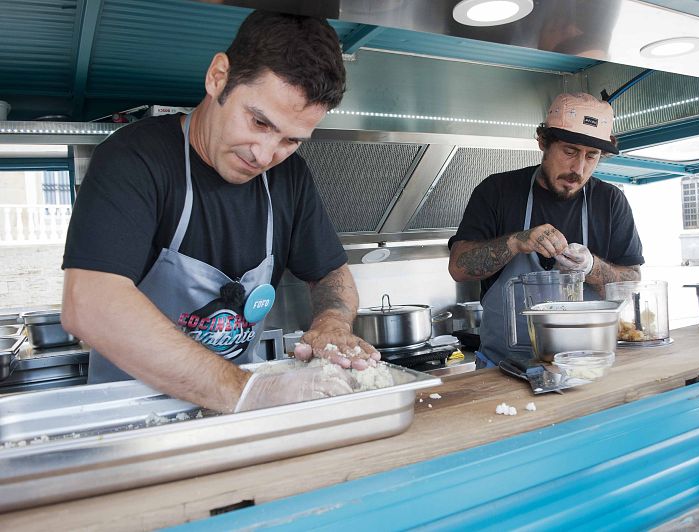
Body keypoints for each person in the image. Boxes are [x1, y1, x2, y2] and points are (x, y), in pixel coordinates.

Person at [61, 11, 380, 413]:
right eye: (259, 121)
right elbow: (89, 303)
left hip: (234, 417)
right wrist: (247, 391)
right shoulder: (133, 159)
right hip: (132, 418)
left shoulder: (288, 177)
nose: (265, 155)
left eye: (291, 140)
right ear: (218, 77)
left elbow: (330, 271)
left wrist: (332, 323)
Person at [448, 93, 644, 367]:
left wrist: (591, 268)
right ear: (542, 142)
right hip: (503, 369)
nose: (578, 168)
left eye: (592, 156)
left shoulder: (610, 201)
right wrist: (516, 242)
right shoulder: (497, 192)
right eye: (569, 151)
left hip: (588, 366)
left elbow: (632, 282)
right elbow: (459, 267)